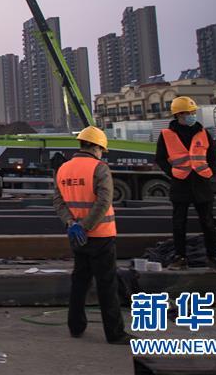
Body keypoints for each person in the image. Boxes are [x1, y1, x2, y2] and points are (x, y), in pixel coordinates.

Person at [53, 126, 133, 345]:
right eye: (101, 149)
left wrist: (72, 224)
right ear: (96, 146)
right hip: (101, 235)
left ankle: (76, 326)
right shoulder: (100, 168)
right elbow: (103, 201)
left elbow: (58, 201)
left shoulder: (63, 169)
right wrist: (87, 225)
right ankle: (115, 334)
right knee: (107, 285)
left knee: (79, 281)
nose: (101, 153)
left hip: (77, 237)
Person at [155, 96, 216, 272]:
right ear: (178, 115)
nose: (191, 116)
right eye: (187, 113)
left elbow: (213, 157)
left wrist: (211, 173)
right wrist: (172, 173)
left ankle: (213, 258)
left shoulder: (203, 133)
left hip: (202, 183)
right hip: (181, 183)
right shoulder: (166, 135)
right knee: (179, 224)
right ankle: (180, 258)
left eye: (193, 113)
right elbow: (160, 159)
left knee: (208, 223)